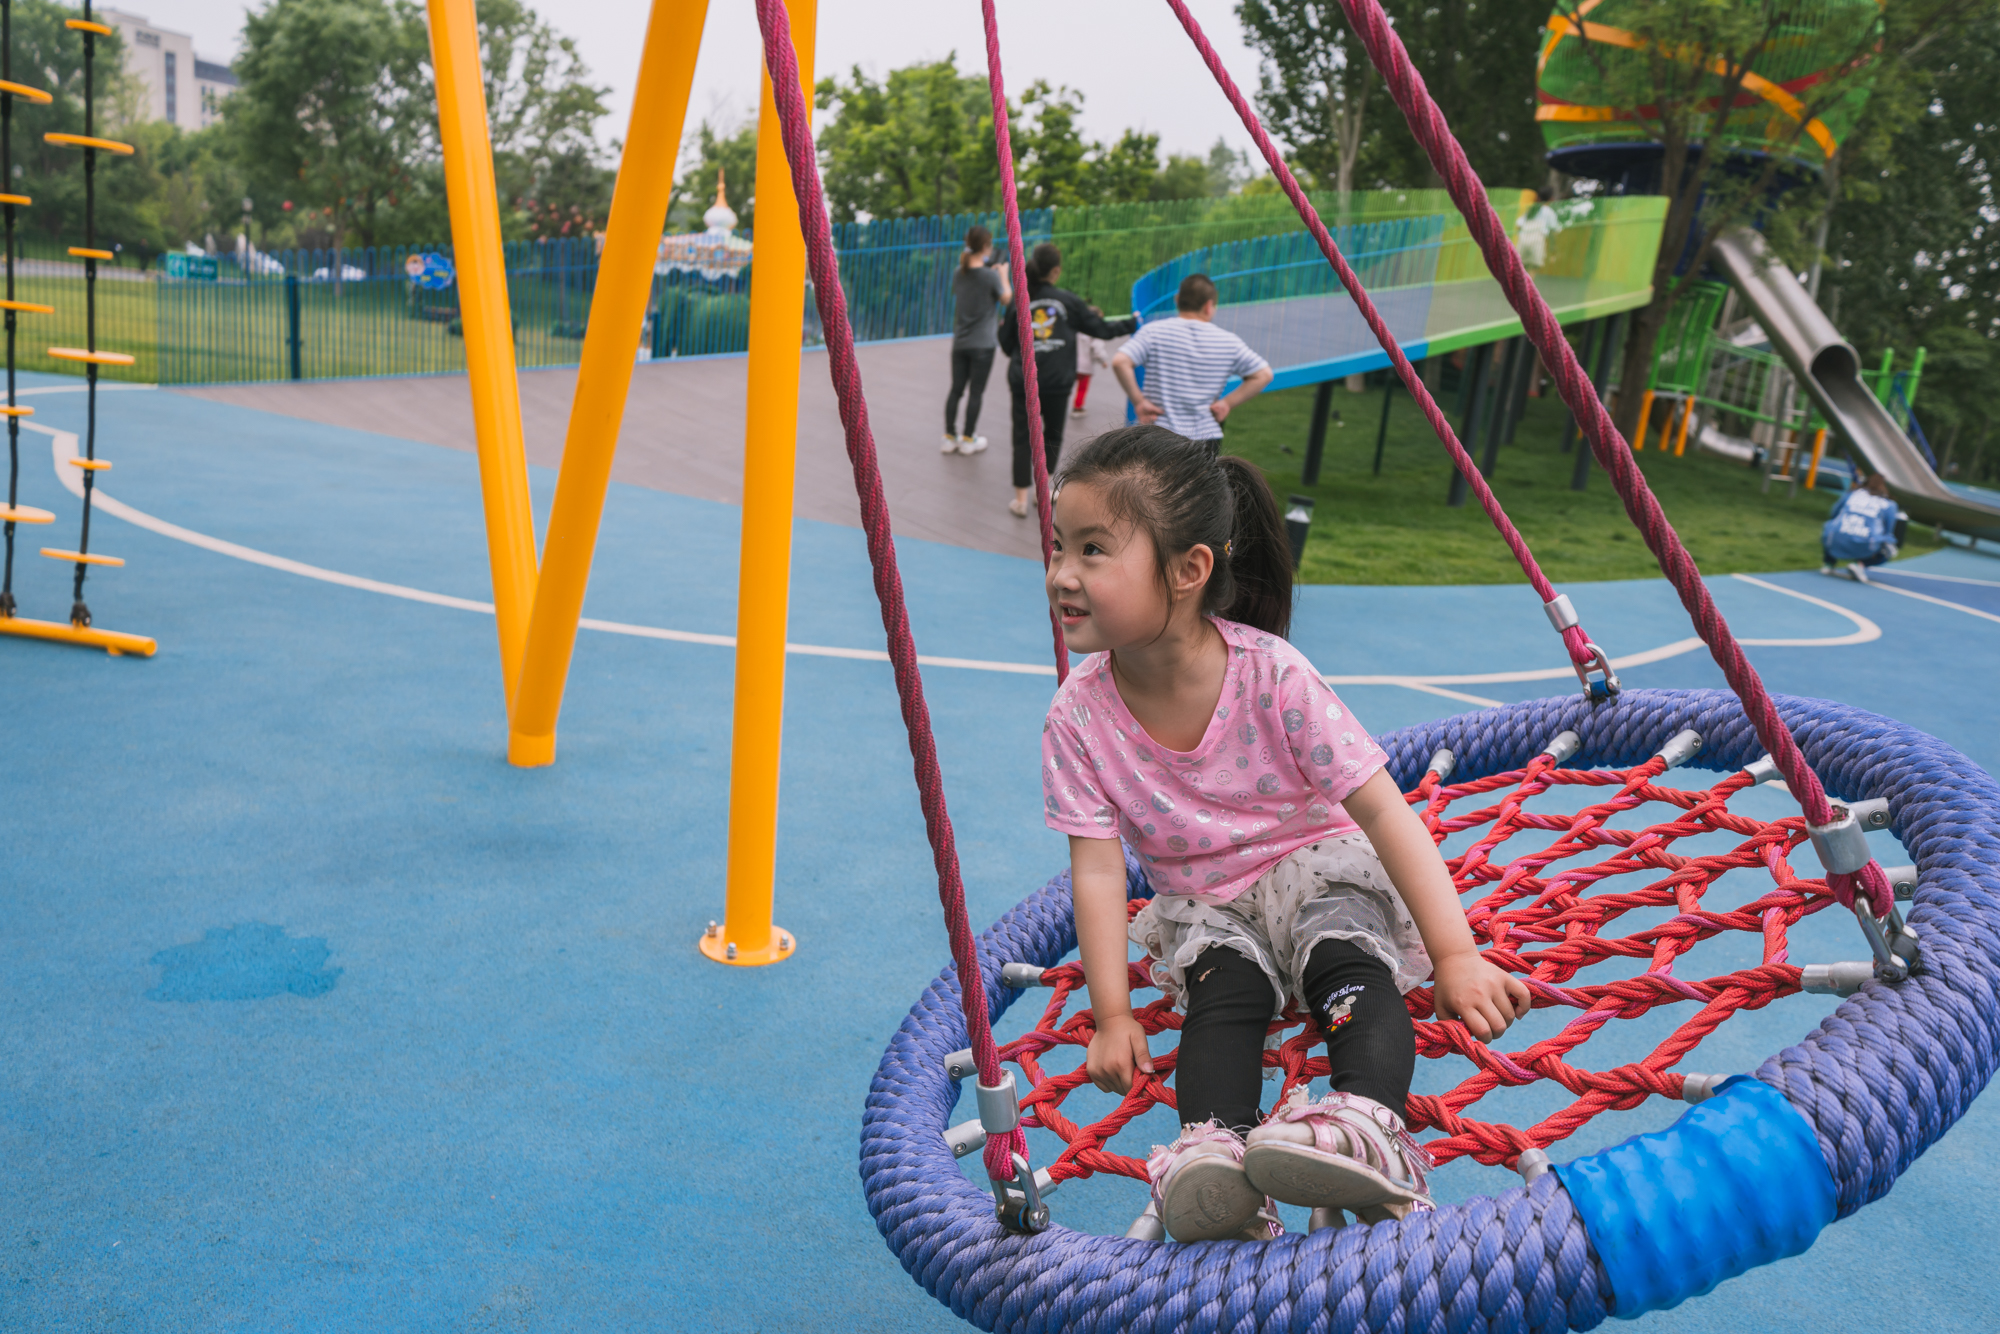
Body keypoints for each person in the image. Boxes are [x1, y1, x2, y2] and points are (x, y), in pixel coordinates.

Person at [1040, 426, 1529, 1243]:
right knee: (1219, 999)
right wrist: (1112, 1013)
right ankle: (1216, 1160)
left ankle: (1366, 1123)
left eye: (1093, 550)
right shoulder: (1078, 717)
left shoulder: (1271, 675)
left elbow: (1383, 812)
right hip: (1205, 904)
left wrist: (1454, 954)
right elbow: (1095, 871)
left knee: (1343, 956)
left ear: (1190, 570)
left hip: (1315, 867)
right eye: (1058, 547)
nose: (1061, 574)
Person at [997, 242, 1138, 518]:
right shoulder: (1069, 301)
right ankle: (1044, 490)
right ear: (1056, 271)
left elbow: (1004, 343)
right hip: (1057, 381)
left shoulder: (1019, 300)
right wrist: (1132, 323)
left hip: (1024, 380)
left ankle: (1021, 499)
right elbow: (1101, 329)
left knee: (1022, 436)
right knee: (1052, 434)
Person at [1111, 275, 1273, 452]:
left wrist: (1139, 402)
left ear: (1177, 300)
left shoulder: (1153, 331)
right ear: (1209, 306)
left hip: (1156, 433)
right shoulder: (1228, 341)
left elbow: (1120, 361)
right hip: (1204, 437)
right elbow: (1264, 375)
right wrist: (1226, 403)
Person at [944, 225, 1010, 455]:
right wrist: (1003, 274)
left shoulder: (957, 272)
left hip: (960, 342)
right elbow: (1006, 299)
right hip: (983, 344)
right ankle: (969, 438)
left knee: (956, 390)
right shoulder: (990, 276)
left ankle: (950, 436)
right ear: (984, 246)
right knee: (976, 392)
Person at [1821, 472, 1900, 582]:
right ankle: (1860, 564)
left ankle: (1829, 563)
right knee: (1888, 547)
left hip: (1836, 539)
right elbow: (1888, 531)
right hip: (1865, 544)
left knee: (1832, 528)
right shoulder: (1888, 504)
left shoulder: (1852, 494)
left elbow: (1834, 513)